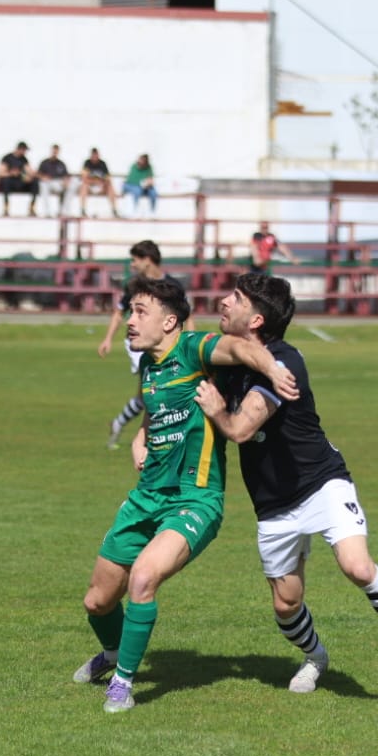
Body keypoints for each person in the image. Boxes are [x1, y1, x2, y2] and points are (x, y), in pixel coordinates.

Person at [193, 272, 378, 695]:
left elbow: (241, 430)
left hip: (321, 481)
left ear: (257, 319)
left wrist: (217, 411)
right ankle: (315, 657)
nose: (223, 302)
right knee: (286, 604)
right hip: (273, 502)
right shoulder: (229, 363)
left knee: (357, 567)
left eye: (236, 298)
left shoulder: (285, 363)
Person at [73, 275, 300, 713]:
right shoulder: (150, 368)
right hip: (146, 496)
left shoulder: (195, 349)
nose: (130, 322)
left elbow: (240, 348)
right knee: (97, 601)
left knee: (142, 579)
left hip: (195, 500)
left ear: (170, 320)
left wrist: (272, 368)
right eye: (131, 311)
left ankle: (122, 683)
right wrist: (141, 441)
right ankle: (115, 653)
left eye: (141, 312)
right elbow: (155, 414)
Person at [97, 240, 178, 449]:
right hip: (138, 343)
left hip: (165, 341)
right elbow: (119, 312)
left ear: (147, 260)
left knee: (147, 395)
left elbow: (186, 315)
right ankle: (157, 438)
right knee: (156, 388)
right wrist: (107, 339)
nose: (132, 264)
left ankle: (120, 423)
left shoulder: (172, 286)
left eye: (135, 260)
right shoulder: (135, 286)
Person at [0, 141, 37, 217]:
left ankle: (32, 207)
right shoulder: (7, 158)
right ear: (19, 149)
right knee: (6, 181)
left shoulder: (24, 159)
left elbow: (29, 171)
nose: (25, 152)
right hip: (9, 183)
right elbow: (0, 173)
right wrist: (11, 173)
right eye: (24, 150)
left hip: (20, 182)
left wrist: (30, 176)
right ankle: (6, 207)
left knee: (35, 182)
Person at [77, 148, 119, 219]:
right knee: (84, 186)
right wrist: (95, 181)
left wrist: (101, 182)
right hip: (90, 187)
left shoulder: (102, 164)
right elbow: (84, 178)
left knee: (110, 186)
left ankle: (114, 210)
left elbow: (108, 178)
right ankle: (83, 210)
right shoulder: (87, 163)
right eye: (93, 156)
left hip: (101, 187)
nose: (95, 157)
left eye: (96, 155)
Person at [35, 144, 71, 217]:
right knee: (43, 184)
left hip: (58, 183)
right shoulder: (44, 162)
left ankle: (64, 211)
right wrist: (43, 177)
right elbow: (38, 174)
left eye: (56, 151)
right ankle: (47, 211)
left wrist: (65, 181)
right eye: (53, 151)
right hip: (48, 183)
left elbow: (66, 176)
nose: (55, 153)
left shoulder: (61, 164)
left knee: (72, 185)